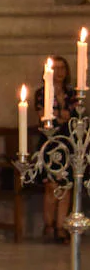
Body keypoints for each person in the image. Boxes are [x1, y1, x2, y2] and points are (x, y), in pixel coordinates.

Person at [34, 55, 78, 243]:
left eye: (63, 68)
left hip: (67, 142)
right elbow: (45, 117)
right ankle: (49, 224)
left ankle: (61, 227)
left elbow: (73, 117)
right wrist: (61, 116)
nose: (60, 72)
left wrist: (61, 116)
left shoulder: (72, 93)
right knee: (51, 186)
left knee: (65, 186)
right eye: (56, 68)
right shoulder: (41, 93)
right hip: (49, 143)